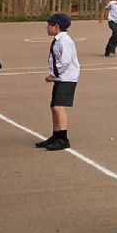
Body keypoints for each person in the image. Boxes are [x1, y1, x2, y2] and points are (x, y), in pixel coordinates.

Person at [36, 13, 79, 152]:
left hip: (67, 77)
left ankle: (63, 138)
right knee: (54, 106)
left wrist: (52, 74)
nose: (47, 27)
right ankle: (55, 135)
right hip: (61, 77)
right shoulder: (58, 40)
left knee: (58, 107)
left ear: (57, 26)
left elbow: (65, 61)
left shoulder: (64, 41)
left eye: (49, 25)